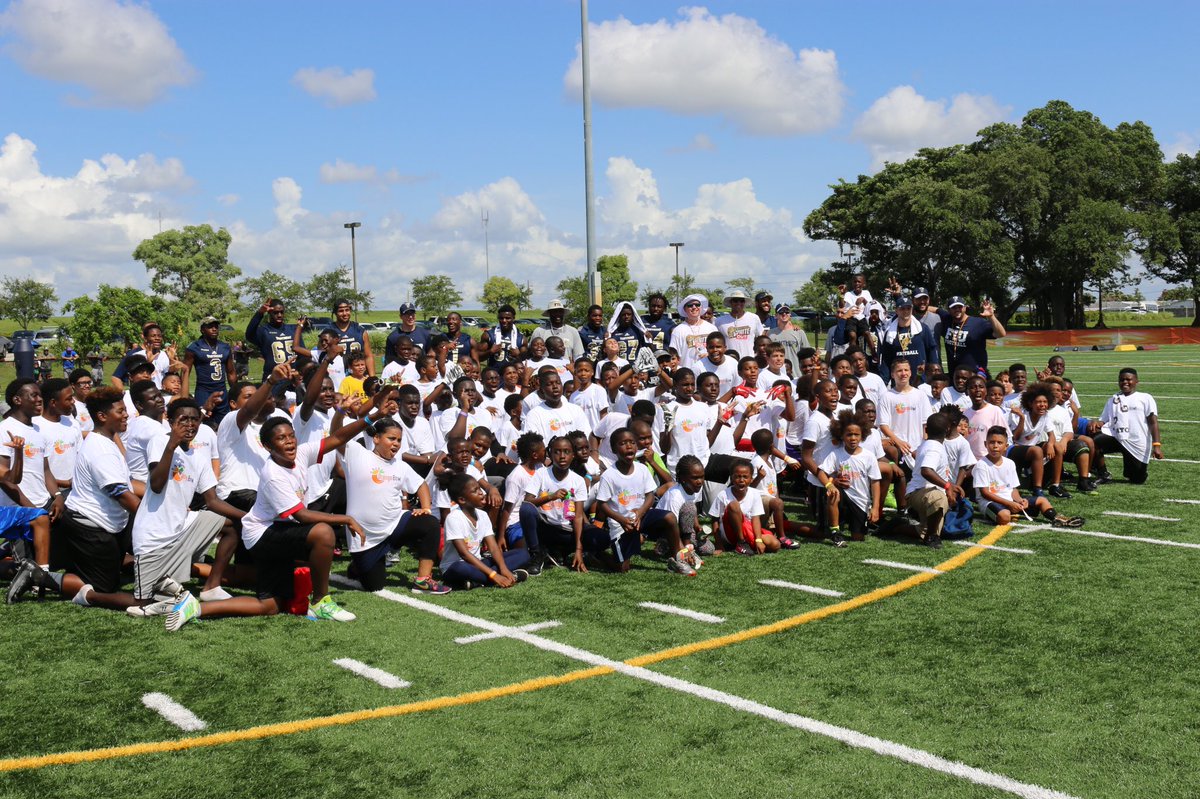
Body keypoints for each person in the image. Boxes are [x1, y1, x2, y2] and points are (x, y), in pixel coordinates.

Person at [165, 392, 395, 630]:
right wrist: (346, 519)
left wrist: (370, 419)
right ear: (267, 446)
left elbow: (337, 438)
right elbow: (302, 517)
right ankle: (320, 602)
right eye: (281, 439)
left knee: (270, 605)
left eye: (291, 436)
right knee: (323, 533)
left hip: (276, 531)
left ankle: (195, 607)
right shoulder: (273, 474)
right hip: (261, 535)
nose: (289, 442)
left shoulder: (302, 453)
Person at [128, 398, 246, 615]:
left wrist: (248, 517)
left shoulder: (199, 456)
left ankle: (212, 586)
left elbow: (212, 501)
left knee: (232, 526)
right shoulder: (159, 441)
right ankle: (89, 596)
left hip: (183, 525)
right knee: (142, 602)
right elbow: (155, 485)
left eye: (195, 419)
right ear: (170, 420)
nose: (190, 425)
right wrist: (172, 445)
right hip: (152, 537)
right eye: (183, 419)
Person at [341, 417, 447, 593]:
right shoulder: (358, 454)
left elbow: (421, 485)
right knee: (374, 586)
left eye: (399, 440)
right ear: (376, 438)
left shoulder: (401, 466)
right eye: (391, 438)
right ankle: (358, 566)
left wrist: (426, 508)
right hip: (366, 538)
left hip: (395, 525)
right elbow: (338, 435)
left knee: (430, 523)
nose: (396, 444)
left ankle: (423, 580)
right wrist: (341, 412)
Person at [0, 379, 60, 583]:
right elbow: (6, 480)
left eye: (39, 394)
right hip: (18, 508)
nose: (39, 399)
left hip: (42, 503)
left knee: (55, 558)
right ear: (17, 400)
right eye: (33, 395)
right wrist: (33, 509)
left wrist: (57, 496)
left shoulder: (39, 431)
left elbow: (45, 470)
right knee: (22, 570)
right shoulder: (4, 429)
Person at [973, 426, 1084, 527]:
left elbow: (1013, 488)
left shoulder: (1009, 463)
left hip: (1009, 501)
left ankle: (1057, 518)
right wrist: (1010, 504)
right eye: (992, 442)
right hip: (989, 502)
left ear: (1006, 446)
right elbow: (985, 493)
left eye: (999, 443)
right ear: (985, 444)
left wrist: (1020, 500)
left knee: (1042, 500)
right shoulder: (981, 465)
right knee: (1004, 517)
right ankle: (1011, 512)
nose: (995, 446)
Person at [440, 473, 529, 589]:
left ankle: (476, 582)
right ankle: (509, 577)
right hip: (456, 567)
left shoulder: (482, 515)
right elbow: (464, 554)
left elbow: (493, 548)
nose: (481, 492)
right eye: (475, 491)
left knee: (523, 554)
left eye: (479, 488)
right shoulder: (454, 518)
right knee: (459, 567)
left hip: (478, 563)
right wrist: (494, 575)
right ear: (462, 500)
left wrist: (503, 569)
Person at [817, 410, 881, 546]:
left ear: (862, 435)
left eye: (856, 434)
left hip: (861, 501)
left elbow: (875, 482)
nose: (853, 438)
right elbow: (821, 472)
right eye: (849, 434)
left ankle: (860, 525)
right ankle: (835, 532)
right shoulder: (836, 454)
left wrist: (875, 508)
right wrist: (831, 484)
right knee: (833, 494)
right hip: (843, 496)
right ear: (842, 435)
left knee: (858, 537)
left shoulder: (869, 456)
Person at [1088, 368, 1163, 485]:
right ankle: (1103, 473)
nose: (1125, 382)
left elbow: (1153, 423)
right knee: (1093, 442)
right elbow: (1103, 420)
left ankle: (1138, 470)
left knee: (1136, 479)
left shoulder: (1145, 398)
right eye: (1122, 380)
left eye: (1128, 379)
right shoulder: (1113, 399)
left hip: (1136, 442)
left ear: (1136, 381)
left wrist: (1157, 446)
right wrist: (1095, 423)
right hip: (1116, 437)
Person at [904, 412, 962, 549]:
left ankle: (896, 527)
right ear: (947, 430)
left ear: (926, 430)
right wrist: (948, 486)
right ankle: (932, 537)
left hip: (922, 491)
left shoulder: (928, 444)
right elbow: (926, 470)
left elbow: (918, 458)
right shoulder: (935, 448)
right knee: (939, 499)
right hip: (921, 492)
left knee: (924, 531)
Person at [710, 458, 778, 555]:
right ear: (732, 478)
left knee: (775, 544)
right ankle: (741, 543)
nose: (741, 480)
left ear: (751, 479)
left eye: (745, 477)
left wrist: (758, 540)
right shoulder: (723, 495)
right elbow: (714, 519)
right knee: (734, 505)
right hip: (729, 533)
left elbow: (755, 518)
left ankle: (750, 543)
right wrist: (719, 544)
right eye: (737, 477)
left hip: (748, 529)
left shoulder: (755, 493)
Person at [935, 296, 1005, 377]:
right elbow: (934, 309)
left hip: (975, 375)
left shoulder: (978, 323)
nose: (957, 309)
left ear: (965, 307)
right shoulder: (947, 319)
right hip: (955, 375)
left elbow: (1001, 334)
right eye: (954, 307)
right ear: (949, 309)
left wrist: (991, 316)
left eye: (960, 307)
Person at [181, 316, 234, 423]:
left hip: (222, 391)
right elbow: (185, 371)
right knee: (201, 422)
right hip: (203, 391)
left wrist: (236, 391)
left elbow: (231, 372)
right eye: (210, 326)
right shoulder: (194, 347)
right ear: (202, 329)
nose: (214, 329)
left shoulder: (225, 347)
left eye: (216, 326)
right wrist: (183, 395)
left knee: (225, 424)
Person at [245, 298, 310, 383]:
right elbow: (249, 334)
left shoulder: (293, 329)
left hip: (292, 377)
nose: (279, 315)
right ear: (269, 313)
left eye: (281, 312)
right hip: (273, 378)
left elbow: (302, 353)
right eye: (275, 312)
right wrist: (260, 313)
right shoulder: (264, 331)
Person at [878, 295, 928, 381]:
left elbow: (931, 349)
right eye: (902, 309)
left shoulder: (922, 329)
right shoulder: (890, 333)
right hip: (899, 381)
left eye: (908, 308)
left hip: (919, 379)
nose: (906, 311)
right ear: (896, 310)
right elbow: (886, 359)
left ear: (912, 310)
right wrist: (884, 380)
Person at [111, 322, 172, 389]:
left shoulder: (164, 355)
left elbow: (169, 378)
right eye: (153, 335)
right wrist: (124, 396)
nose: (157, 338)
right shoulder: (134, 355)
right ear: (144, 336)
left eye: (159, 335)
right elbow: (116, 377)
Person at [669, 294, 718, 370]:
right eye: (690, 305)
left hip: (709, 373)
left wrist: (709, 355)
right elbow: (674, 356)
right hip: (688, 375)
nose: (694, 307)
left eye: (697, 305)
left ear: (701, 308)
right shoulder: (678, 331)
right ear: (684, 309)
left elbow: (718, 350)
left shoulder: (712, 328)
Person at [330, 299, 375, 376]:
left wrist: (372, 377)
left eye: (347, 310)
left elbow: (368, 356)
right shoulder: (329, 331)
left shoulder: (360, 330)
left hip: (359, 376)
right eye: (341, 311)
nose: (344, 313)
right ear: (335, 312)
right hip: (337, 375)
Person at [716, 289, 764, 360]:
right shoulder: (720, 321)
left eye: (741, 301)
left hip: (749, 360)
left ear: (744, 303)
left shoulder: (754, 318)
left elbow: (761, 338)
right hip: (729, 361)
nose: (738, 303)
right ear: (731, 302)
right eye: (735, 300)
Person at [769, 303, 809, 376]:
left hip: (797, 374)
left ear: (790, 314)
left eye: (787, 312)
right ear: (776, 315)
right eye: (781, 312)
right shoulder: (770, 334)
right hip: (776, 375)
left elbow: (807, 355)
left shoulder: (799, 332)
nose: (784, 314)